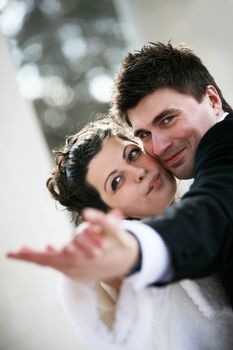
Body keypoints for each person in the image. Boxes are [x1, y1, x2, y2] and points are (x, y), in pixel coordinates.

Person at [7, 118, 233, 350]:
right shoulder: (133, 252)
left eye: (133, 154)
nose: (139, 172)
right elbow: (118, 248)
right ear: (108, 214)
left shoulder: (212, 194)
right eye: (116, 181)